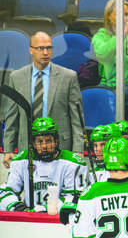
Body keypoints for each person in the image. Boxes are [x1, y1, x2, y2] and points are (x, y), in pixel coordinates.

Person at [3, 31, 84, 168]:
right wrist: (8, 149)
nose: (45, 52)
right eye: (41, 48)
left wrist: (78, 150)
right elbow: (11, 118)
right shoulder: (16, 78)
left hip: (60, 149)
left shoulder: (68, 77)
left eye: (49, 48)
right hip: (27, 148)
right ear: (31, 50)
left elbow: (77, 118)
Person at [0, 117, 87, 212]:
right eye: (40, 142)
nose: (44, 146)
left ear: (56, 141)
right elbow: (6, 191)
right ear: (33, 143)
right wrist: (18, 207)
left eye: (48, 141)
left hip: (59, 220)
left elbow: (75, 198)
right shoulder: (22, 160)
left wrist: (42, 209)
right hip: (28, 219)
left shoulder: (73, 163)